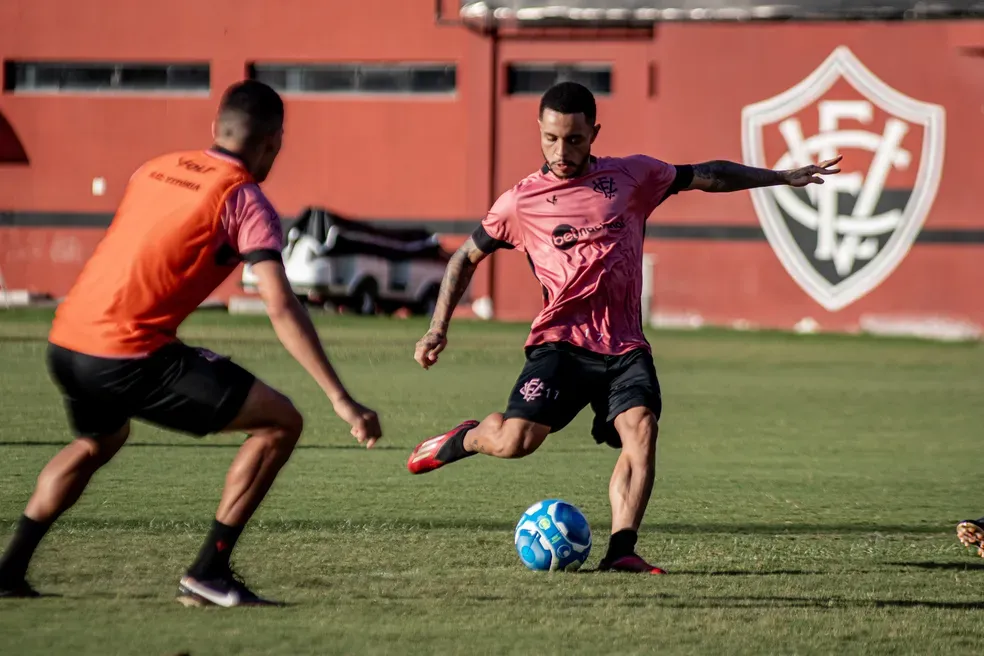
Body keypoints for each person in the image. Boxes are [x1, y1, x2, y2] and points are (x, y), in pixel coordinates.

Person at [408, 81, 840, 574]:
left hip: (625, 345)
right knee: (514, 443)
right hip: (561, 345)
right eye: (551, 139)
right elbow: (465, 257)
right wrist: (437, 328)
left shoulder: (633, 176)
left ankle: (621, 551)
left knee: (642, 430)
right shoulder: (521, 202)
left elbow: (707, 175)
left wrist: (780, 176)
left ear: (594, 133)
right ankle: (465, 438)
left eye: (574, 139)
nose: (561, 151)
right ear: (539, 132)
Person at [0, 80, 382, 605]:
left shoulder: (154, 168)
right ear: (273, 143)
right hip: (127, 353)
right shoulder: (243, 198)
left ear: (215, 127)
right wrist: (341, 399)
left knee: (98, 441)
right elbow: (279, 304)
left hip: (66, 342)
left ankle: (8, 571)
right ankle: (209, 573)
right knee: (280, 422)